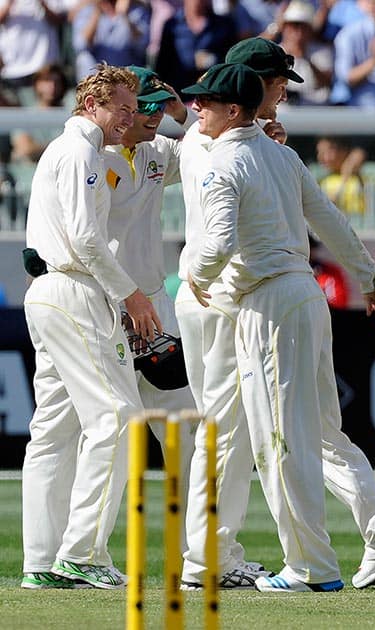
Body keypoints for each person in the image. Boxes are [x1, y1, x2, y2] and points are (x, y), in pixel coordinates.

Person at [182, 61, 375, 593]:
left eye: (206, 102)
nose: (196, 107)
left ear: (233, 110)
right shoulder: (281, 154)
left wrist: (196, 276)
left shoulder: (226, 159)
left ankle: (311, 567)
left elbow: (217, 242)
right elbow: (329, 217)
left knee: (279, 442)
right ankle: (354, 546)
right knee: (310, 433)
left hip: (265, 305)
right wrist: (373, 279)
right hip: (305, 297)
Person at [21, 64, 155, 590]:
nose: (128, 116)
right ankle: (80, 554)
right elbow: (85, 239)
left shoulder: (81, 151)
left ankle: (42, 559)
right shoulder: (79, 150)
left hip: (54, 292)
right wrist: (133, 295)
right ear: (91, 105)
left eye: (132, 107)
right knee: (119, 418)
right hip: (73, 290)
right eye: (120, 107)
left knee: (53, 430)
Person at [175, 37, 302, 591]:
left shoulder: (235, 137)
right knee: (227, 432)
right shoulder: (216, 140)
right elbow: (221, 234)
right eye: (275, 83)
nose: (280, 95)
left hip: (219, 291)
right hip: (219, 294)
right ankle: (208, 560)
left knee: (229, 431)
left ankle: (213, 556)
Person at [103, 65, 197, 534]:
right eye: (148, 108)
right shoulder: (95, 156)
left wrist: (183, 110)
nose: (156, 117)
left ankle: (207, 555)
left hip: (156, 307)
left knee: (188, 433)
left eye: (161, 108)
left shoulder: (160, 150)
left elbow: (211, 148)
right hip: (107, 308)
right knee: (111, 433)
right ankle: (77, 555)